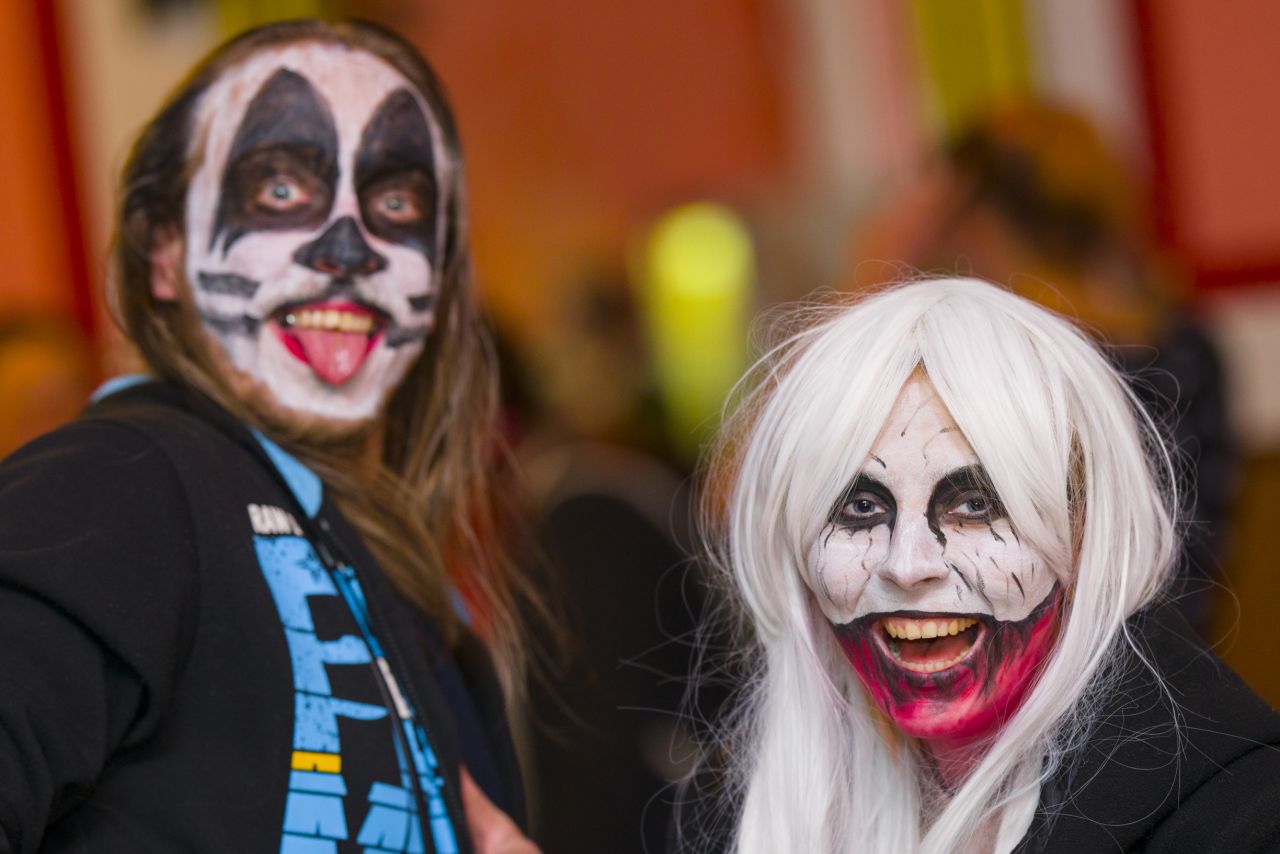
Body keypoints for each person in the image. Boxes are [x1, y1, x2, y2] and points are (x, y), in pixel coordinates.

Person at [0, 20, 539, 854]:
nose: (349, 249)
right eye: (282, 190)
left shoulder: (408, 597)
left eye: (397, 203)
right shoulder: (122, 482)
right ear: (164, 251)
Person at [679, 279, 1280, 853]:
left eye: (974, 504)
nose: (907, 566)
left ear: (1083, 528)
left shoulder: (1241, 823)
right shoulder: (744, 814)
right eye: (859, 508)